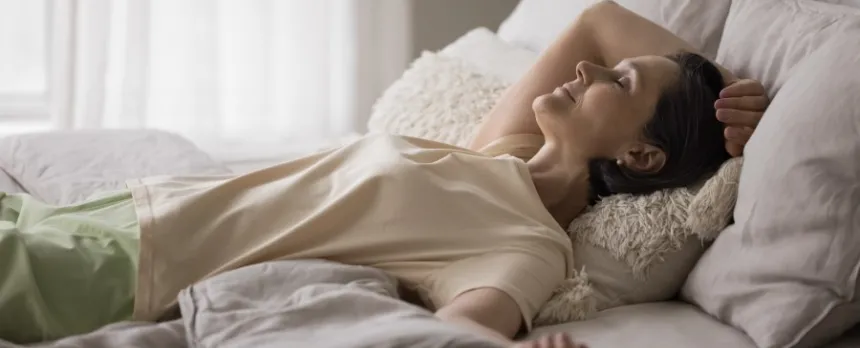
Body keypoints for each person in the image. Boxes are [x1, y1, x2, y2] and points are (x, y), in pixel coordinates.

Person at [0, 2, 768, 347]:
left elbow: (462, 325)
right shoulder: (498, 153)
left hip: (120, 271)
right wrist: (723, 91)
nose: (587, 68)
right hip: (115, 213)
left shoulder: (529, 245)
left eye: (618, 82)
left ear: (641, 157)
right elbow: (597, 18)